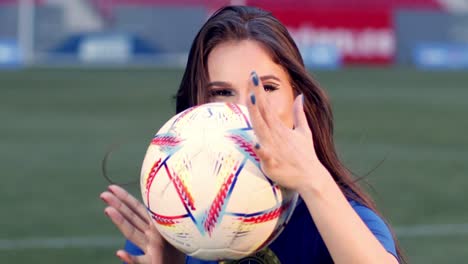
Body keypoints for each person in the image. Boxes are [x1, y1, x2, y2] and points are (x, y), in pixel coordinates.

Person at [100, 5, 405, 264]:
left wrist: (314, 180)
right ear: (194, 108)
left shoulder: (340, 221)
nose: (244, 111)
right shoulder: (167, 225)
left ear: (299, 100)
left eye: (267, 88)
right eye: (221, 92)